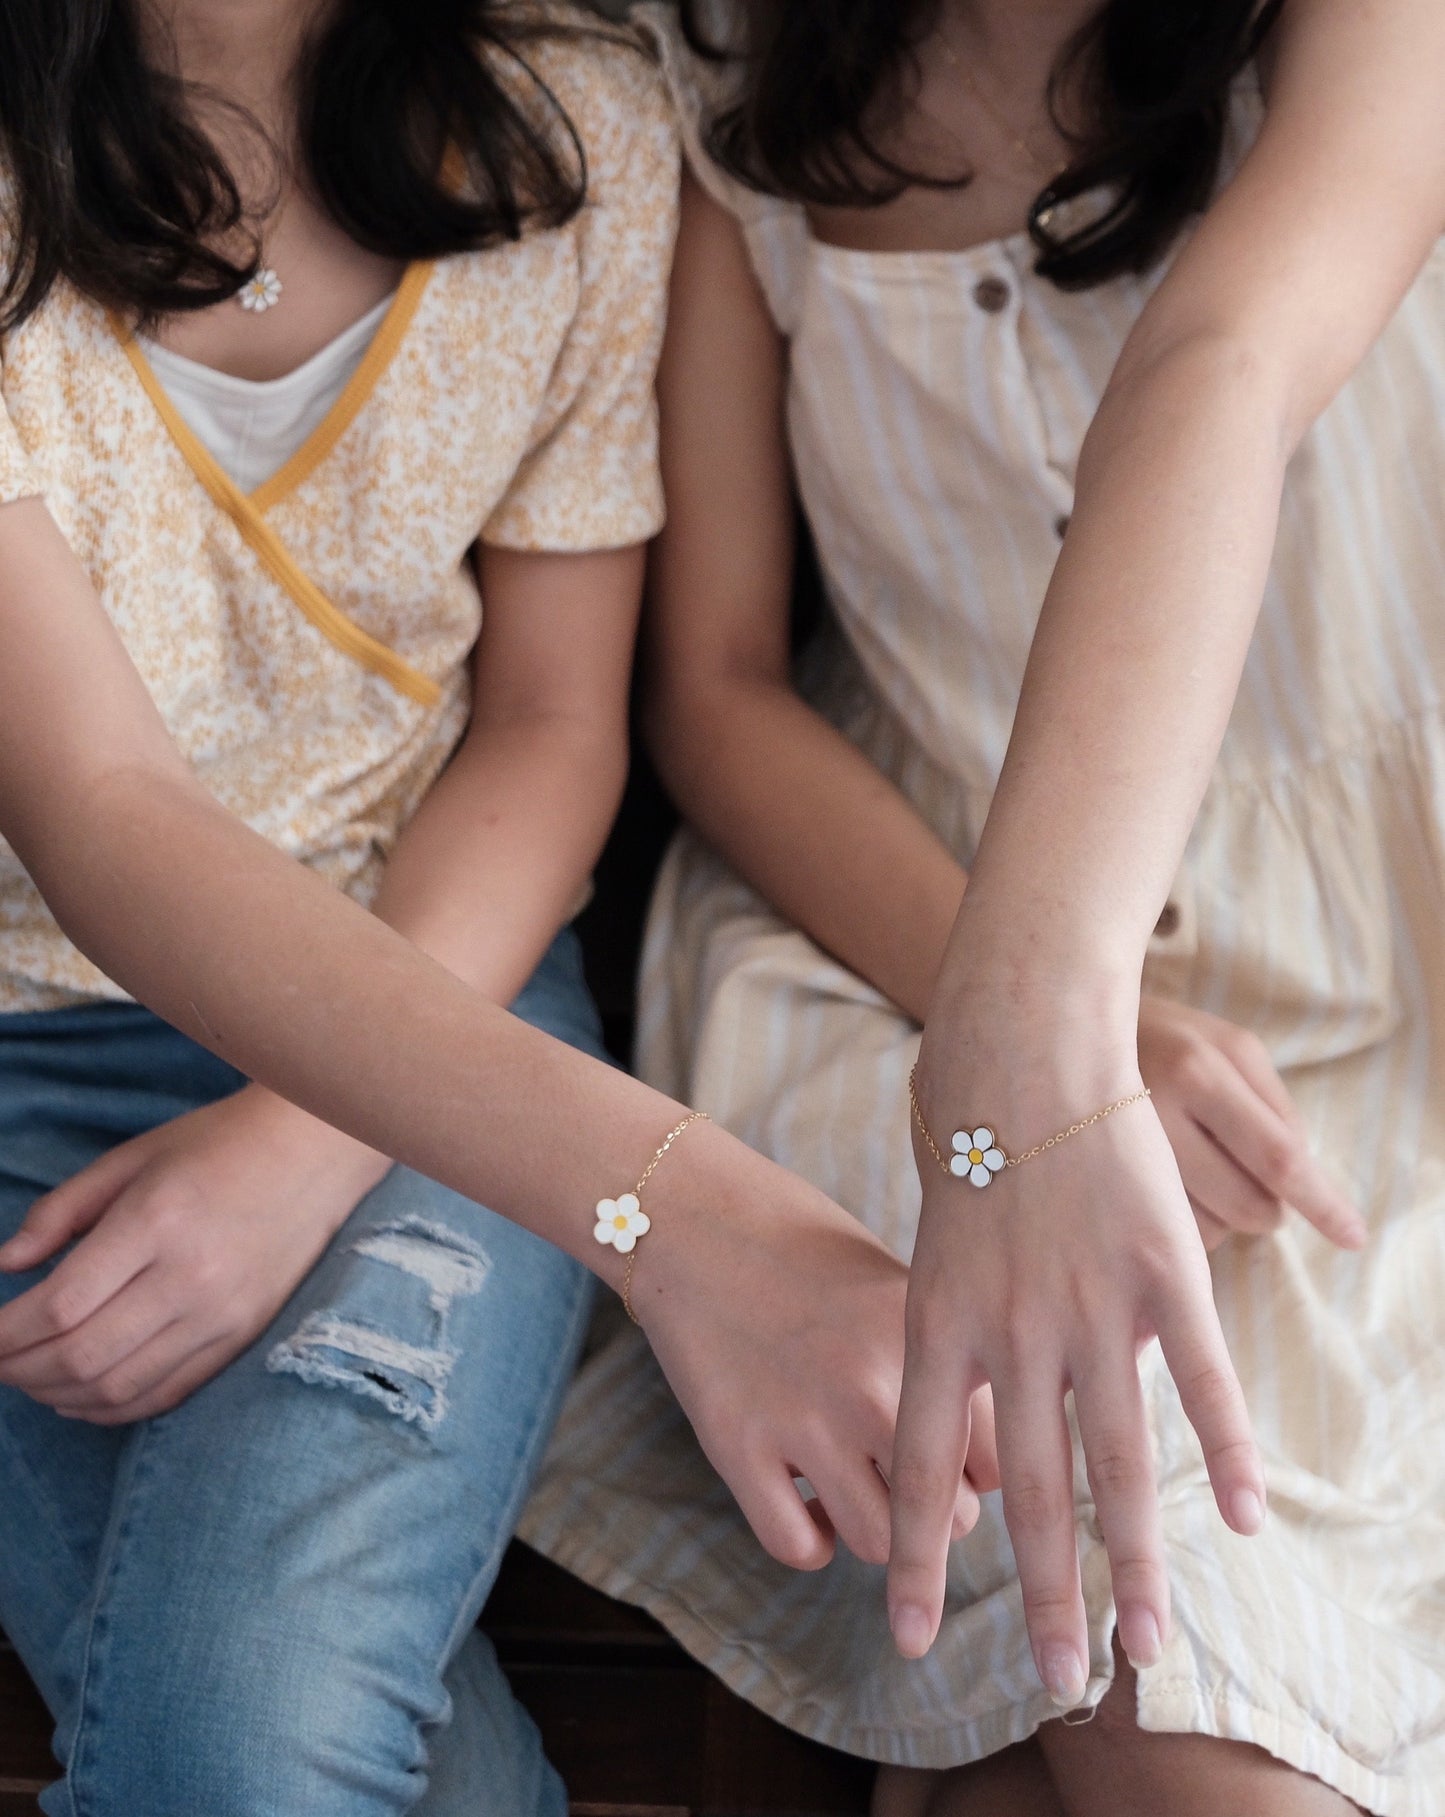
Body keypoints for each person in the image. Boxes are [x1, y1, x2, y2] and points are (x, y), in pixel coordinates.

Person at [0, 4, 964, 1812]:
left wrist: (300, 1139)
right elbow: (95, 805)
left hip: (443, 1003)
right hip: (22, 1054)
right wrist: (688, 1220)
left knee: (249, 1749)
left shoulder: (572, 122)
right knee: (289, 1766)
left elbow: (549, 725)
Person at [520, 1, 1445, 1811]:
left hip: (1381, 960)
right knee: (1148, 1692)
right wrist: (999, 992)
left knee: (1057, 1756)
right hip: (893, 930)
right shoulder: (717, 75)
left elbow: (1224, 361)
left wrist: (1047, 999)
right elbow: (713, 685)